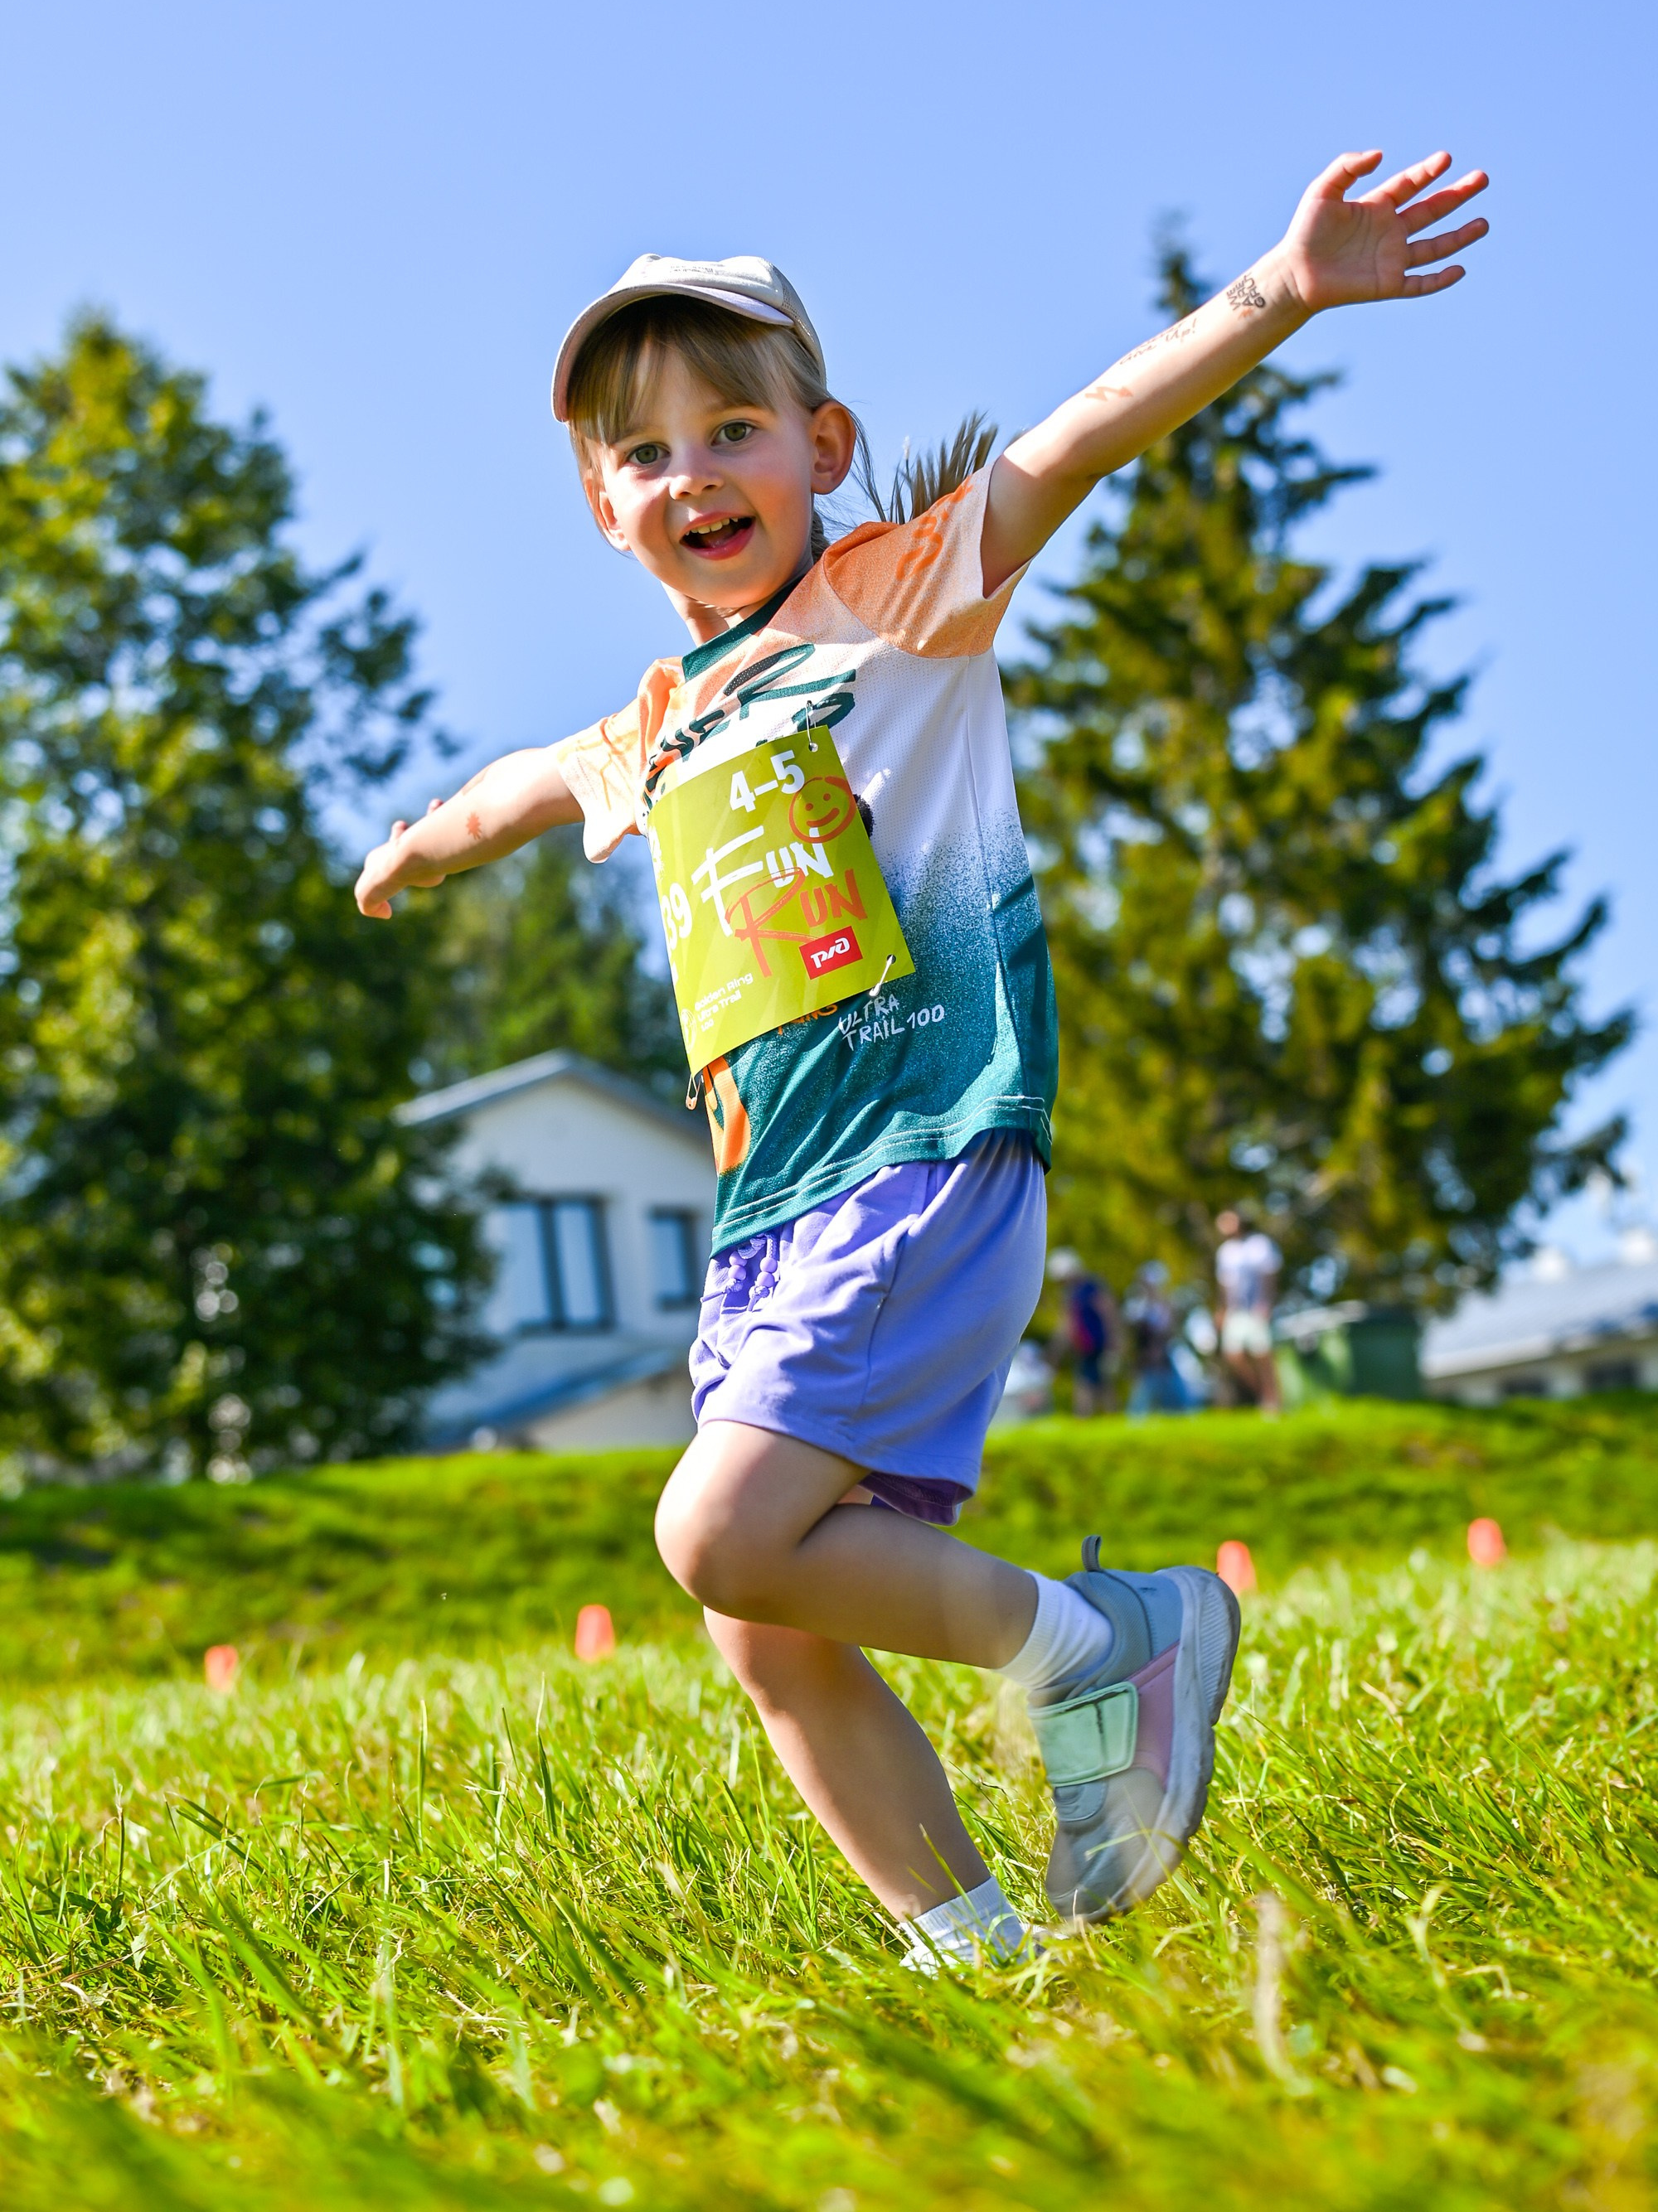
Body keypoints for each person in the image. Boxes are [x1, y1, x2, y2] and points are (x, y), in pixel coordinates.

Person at [356, 149, 1487, 1965]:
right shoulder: (655, 724)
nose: (691, 475)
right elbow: (526, 784)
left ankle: (1105, 1644)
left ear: (823, 446)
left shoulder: (899, 598)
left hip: (923, 1146)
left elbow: (1070, 444)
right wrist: (427, 839)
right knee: (766, 1622)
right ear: (601, 508)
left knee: (716, 1528)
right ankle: (975, 1960)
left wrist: (1278, 289)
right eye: (644, 454)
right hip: (773, 1207)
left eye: (732, 428)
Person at [1214, 1208, 1283, 1413]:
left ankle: (1273, 1399)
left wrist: (1266, 1303)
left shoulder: (1258, 1244)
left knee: (1262, 1353)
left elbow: (1269, 1275)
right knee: (1233, 1355)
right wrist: (1223, 1309)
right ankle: (1263, 1394)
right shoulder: (1225, 1252)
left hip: (1256, 1308)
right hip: (1236, 1311)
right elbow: (1225, 1285)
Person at [1048, 1247, 1121, 1416]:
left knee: (1093, 1382)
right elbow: (1067, 1325)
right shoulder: (1071, 1293)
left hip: (1097, 1343)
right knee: (1094, 1381)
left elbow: (1108, 1312)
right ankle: (1097, 1415)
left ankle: (1089, 1416)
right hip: (1084, 1346)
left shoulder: (1091, 1287)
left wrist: (1114, 1340)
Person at [1123, 1264, 1194, 1417]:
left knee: (1174, 1396)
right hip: (1145, 1357)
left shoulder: (1165, 1305)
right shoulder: (1137, 1305)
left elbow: (1169, 1329)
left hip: (1164, 1356)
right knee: (1144, 1394)